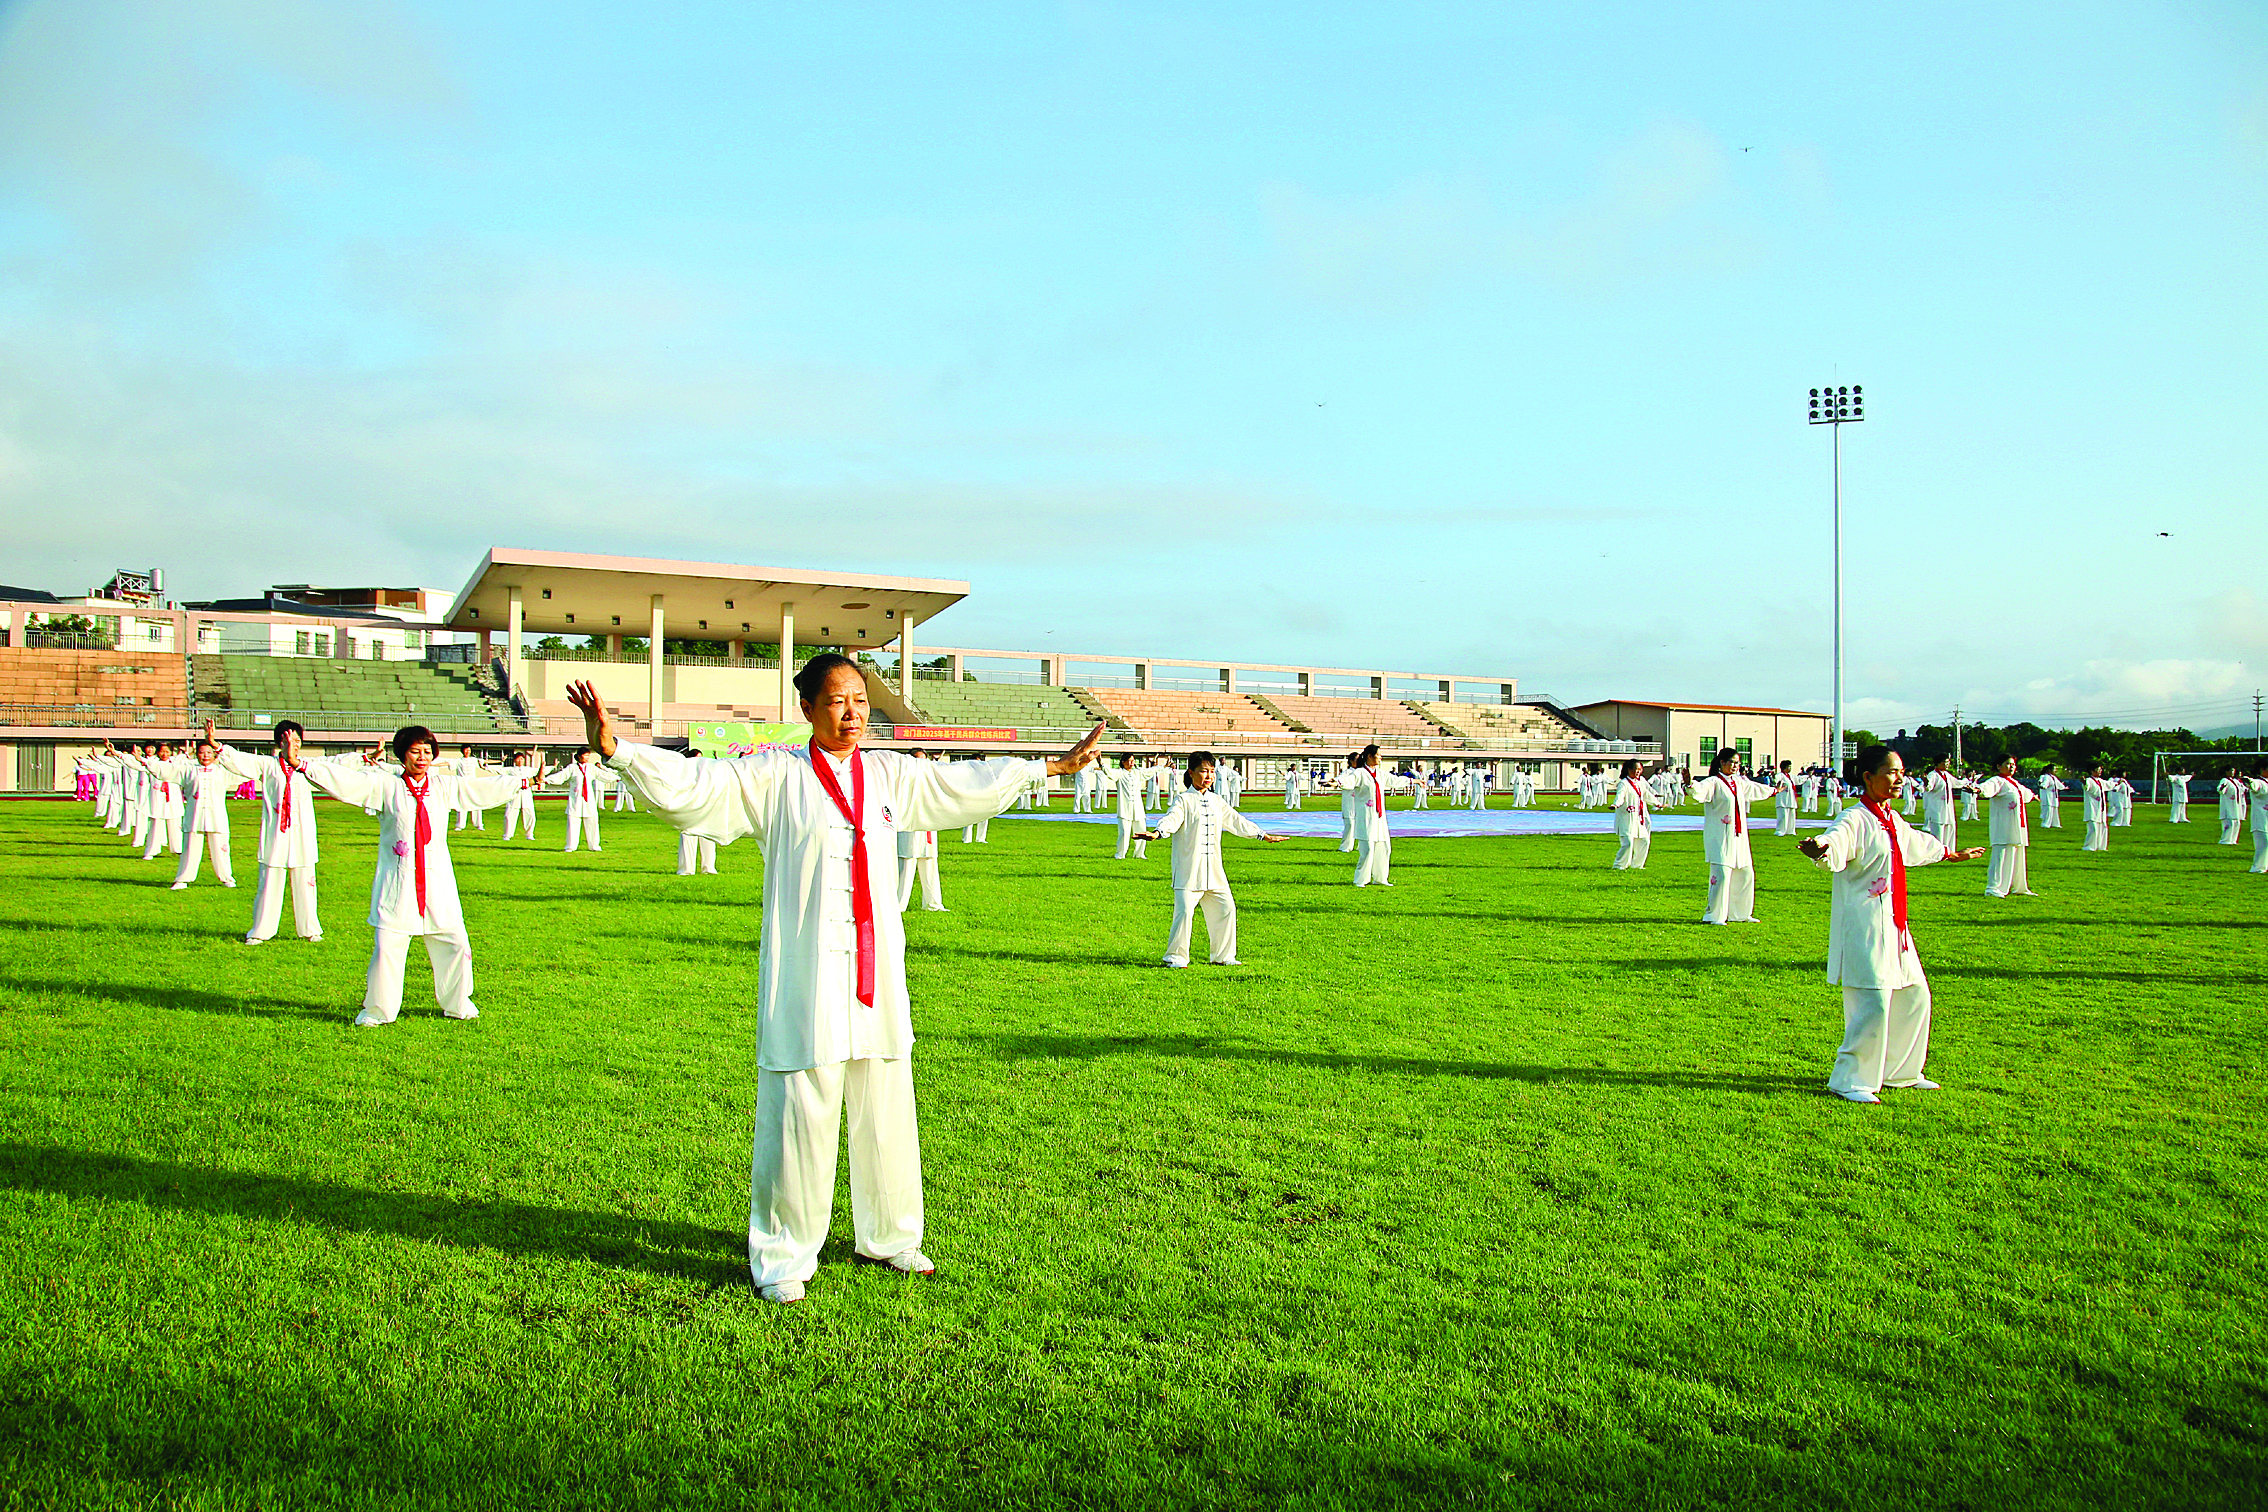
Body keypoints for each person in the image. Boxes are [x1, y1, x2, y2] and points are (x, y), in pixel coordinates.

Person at [569, 661, 1104, 1305]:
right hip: (807, 969)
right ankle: (785, 1253)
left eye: (860, 699)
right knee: (802, 1102)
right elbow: (699, 786)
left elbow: (962, 784)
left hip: (877, 970)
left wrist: (1046, 767)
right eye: (836, 701)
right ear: (808, 709)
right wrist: (619, 750)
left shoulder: (889, 774)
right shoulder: (775, 774)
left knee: (886, 1096)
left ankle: (891, 1235)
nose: (852, 712)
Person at [301, 725, 525, 1026]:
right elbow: (349, 782)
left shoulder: (443, 786)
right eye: (415, 751)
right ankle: (377, 1010)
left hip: (437, 880)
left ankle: (458, 1002)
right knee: (388, 947)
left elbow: (477, 790)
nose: (423, 757)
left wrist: (523, 782)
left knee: (455, 942)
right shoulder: (387, 786)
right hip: (399, 880)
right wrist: (303, 765)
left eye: (428, 751)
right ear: (402, 754)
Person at [1798, 745, 1985, 1104]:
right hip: (1866, 922)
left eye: (1901, 771)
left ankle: (1901, 1071)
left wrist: (1949, 853)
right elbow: (1835, 840)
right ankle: (1851, 1079)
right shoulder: (1856, 818)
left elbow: (1916, 844)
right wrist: (1820, 849)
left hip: (1895, 921)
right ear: (1868, 777)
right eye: (1891, 771)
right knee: (1874, 1001)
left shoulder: (1890, 819)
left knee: (1915, 994)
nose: (1899, 778)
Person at [1135, 750, 1287, 967]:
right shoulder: (1184, 800)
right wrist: (1157, 833)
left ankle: (1223, 956)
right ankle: (1176, 957)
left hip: (1214, 871)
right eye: (1203, 771)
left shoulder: (1217, 801)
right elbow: (1172, 818)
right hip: (1189, 871)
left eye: (1212, 772)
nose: (1208, 776)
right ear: (1191, 773)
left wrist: (1262, 835)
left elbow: (1236, 821)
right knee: (1185, 914)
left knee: (1227, 909)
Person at [211, 717, 322, 943]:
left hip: (302, 834)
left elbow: (337, 766)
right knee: (270, 882)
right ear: (278, 743)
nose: (293, 744)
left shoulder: (308, 767)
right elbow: (240, 760)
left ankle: (310, 929)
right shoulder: (268, 765)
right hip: (276, 834)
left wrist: (365, 758)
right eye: (287, 740)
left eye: (297, 740)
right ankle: (261, 931)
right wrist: (216, 745)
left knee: (306, 881)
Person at [1693, 748, 1771, 924]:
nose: (1735, 766)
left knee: (1745, 873)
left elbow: (1755, 789)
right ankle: (1715, 915)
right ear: (1722, 762)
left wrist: (1773, 790)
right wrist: (1690, 786)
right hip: (1720, 835)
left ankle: (1741, 913)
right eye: (1732, 762)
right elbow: (1700, 791)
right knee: (1721, 875)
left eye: (1737, 763)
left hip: (1738, 836)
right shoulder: (1714, 782)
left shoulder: (1739, 782)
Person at [168, 737, 239, 890]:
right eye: (201, 752)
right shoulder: (188, 770)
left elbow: (241, 769)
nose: (205, 755)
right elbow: (167, 771)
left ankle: (226, 877)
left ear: (215, 754)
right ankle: (183, 879)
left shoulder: (223, 771)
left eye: (209, 752)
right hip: (194, 815)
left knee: (221, 848)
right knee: (190, 847)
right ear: (197, 754)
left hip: (217, 815)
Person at [1972, 755, 2038, 897]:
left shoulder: (2013, 783)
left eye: (2013, 764)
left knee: (2018, 854)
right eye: (2008, 764)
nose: (2012, 767)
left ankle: (2019, 887)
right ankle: (1994, 887)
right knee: (2001, 854)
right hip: (2003, 825)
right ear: (1998, 766)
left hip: (2017, 825)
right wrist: (1978, 790)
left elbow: (2026, 793)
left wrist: (2033, 796)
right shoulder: (1997, 781)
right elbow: (1986, 788)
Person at [1337, 744, 1399, 887]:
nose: (1381, 758)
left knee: (1384, 847)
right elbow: (1348, 781)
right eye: (1378, 755)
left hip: (1379, 817)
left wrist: (1414, 781)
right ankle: (1360, 880)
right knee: (1368, 849)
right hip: (1366, 816)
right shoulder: (1360, 773)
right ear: (1370, 757)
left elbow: (1394, 780)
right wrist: (1337, 783)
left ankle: (1381, 878)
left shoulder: (1380, 774)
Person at [547, 748, 610, 852]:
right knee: (573, 822)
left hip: (588, 799)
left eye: (588, 756)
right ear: (579, 756)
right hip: (575, 798)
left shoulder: (591, 768)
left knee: (592, 822)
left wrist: (617, 778)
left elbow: (602, 775)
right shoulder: (572, 768)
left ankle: (594, 845)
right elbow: (561, 776)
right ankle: (571, 846)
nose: (587, 758)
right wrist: (547, 779)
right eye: (585, 755)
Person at [675, 749, 720, 875]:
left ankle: (708, 867)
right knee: (688, 835)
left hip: (705, 805)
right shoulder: (683, 771)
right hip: (689, 805)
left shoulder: (705, 771)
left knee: (708, 835)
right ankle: (686, 869)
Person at [1611, 759, 1653, 870]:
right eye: (1636, 769)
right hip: (1626, 818)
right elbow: (1620, 796)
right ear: (1629, 770)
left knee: (1644, 841)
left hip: (1637, 818)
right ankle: (1619, 865)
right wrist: (1616, 804)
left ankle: (1637, 865)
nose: (1638, 771)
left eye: (1640, 769)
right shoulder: (1624, 783)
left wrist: (1658, 804)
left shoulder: (1639, 783)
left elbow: (1646, 796)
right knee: (1628, 843)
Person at [1110, 753, 1151, 860]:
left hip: (1138, 808)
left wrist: (1163, 768)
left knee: (1141, 831)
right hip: (1124, 809)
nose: (1132, 763)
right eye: (1129, 760)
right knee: (1124, 833)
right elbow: (1109, 773)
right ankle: (1120, 854)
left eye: (1133, 760)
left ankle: (1139, 854)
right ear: (1123, 762)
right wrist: (1101, 764)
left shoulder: (1137, 773)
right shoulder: (1119, 773)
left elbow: (1149, 772)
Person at [497, 751, 541, 840]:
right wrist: (485, 767)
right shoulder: (510, 770)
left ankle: (529, 834)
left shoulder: (528, 770)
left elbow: (539, 771)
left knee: (530, 815)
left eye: (522, 758)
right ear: (514, 760)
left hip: (526, 794)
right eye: (518, 759)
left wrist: (553, 767)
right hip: (514, 793)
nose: (520, 760)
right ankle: (507, 834)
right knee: (510, 814)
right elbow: (499, 770)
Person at [1922, 757, 1960, 850]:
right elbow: (1929, 787)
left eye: (1948, 762)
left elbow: (1957, 783)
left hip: (1947, 807)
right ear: (1938, 763)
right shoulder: (1933, 775)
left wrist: (1969, 784)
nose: (1947, 764)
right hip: (1937, 807)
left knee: (1949, 828)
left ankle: (1948, 851)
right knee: (1938, 831)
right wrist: (1926, 782)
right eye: (1944, 762)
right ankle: (1936, 852)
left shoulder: (1947, 775)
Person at [451, 746, 488, 832]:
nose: (468, 751)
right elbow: (447, 763)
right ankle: (460, 825)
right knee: (462, 804)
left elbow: (485, 761)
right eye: (466, 750)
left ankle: (479, 824)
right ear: (462, 751)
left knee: (476, 803)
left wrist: (501, 761)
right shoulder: (458, 761)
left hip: (473, 785)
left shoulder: (473, 760)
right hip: (462, 784)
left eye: (469, 750)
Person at [2080, 765, 2112, 852]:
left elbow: (2109, 785)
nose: (2100, 771)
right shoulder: (2090, 780)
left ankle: (2101, 846)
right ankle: (2089, 846)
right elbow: (2087, 786)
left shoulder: (2100, 781)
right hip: (2092, 807)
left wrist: (2118, 783)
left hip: (2101, 808)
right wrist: (2084, 782)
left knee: (2103, 827)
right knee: (2093, 828)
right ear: (2092, 771)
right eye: (2098, 770)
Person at [2217, 766, 2247, 845]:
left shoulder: (2235, 781)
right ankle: (2225, 840)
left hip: (2236, 805)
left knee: (2237, 822)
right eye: (2231, 771)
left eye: (2234, 771)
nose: (2233, 772)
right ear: (2226, 771)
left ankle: (2233, 840)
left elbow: (2242, 789)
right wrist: (2221, 788)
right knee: (2229, 823)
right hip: (2228, 805)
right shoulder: (2225, 780)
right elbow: (2220, 790)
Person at [2247, 762, 2268, 875]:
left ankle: (2265, 866)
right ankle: (2257, 867)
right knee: (2264, 844)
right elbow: (2254, 785)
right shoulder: (2260, 782)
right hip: (2261, 818)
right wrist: (2249, 782)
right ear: (2262, 769)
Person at [1772, 760, 1799, 836]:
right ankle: (1780, 830)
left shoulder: (1790, 776)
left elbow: (1799, 780)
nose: (1790, 768)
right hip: (1783, 799)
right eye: (1788, 767)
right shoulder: (1780, 775)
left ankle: (1790, 831)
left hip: (1791, 799)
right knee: (1783, 816)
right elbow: (1775, 780)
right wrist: (1774, 778)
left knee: (1791, 816)